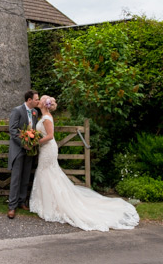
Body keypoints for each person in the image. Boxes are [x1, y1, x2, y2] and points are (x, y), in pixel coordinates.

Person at [29, 95, 139, 231]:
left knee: (48, 173)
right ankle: (48, 202)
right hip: (45, 149)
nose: (38, 101)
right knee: (47, 173)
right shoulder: (43, 116)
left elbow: (50, 136)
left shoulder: (46, 118)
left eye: (41, 99)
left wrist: (35, 142)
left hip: (48, 149)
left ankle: (53, 204)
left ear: (44, 104)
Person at [7, 90, 40, 219]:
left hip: (30, 149)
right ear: (29, 100)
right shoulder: (17, 111)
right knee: (16, 179)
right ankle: (12, 206)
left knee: (26, 176)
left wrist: (32, 142)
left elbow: (34, 129)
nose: (38, 101)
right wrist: (23, 143)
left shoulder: (35, 112)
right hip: (18, 149)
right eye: (36, 99)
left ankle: (22, 201)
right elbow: (13, 129)